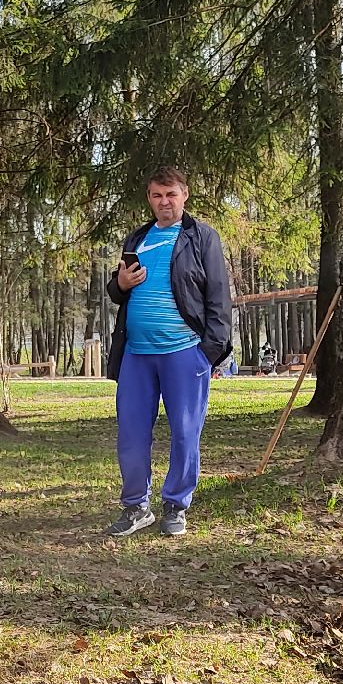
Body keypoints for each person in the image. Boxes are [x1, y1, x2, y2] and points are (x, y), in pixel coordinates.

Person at [102, 166, 232, 538]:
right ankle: (135, 508)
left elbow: (219, 299)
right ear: (149, 198)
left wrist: (207, 353)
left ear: (184, 195)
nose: (165, 202)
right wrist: (119, 283)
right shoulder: (138, 237)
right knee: (131, 434)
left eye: (171, 194)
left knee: (185, 432)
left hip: (184, 352)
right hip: (136, 355)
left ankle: (175, 505)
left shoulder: (202, 238)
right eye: (157, 195)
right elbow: (118, 291)